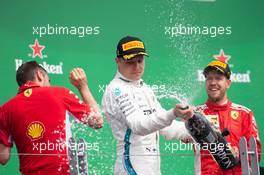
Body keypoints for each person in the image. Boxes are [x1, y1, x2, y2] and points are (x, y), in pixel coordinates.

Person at [102, 36, 194, 175]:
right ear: (118, 61)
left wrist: (195, 132)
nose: (137, 67)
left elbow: (165, 127)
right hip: (131, 166)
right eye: (130, 62)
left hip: (150, 167)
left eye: (140, 61)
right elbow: (139, 126)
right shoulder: (117, 90)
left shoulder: (143, 87)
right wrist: (173, 113)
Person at [0, 61, 103, 174]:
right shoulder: (60, 93)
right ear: (40, 75)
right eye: (49, 81)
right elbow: (97, 121)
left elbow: (3, 157)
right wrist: (83, 86)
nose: (49, 85)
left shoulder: (5, 110)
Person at [194, 59, 262, 175]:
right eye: (209, 78)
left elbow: (256, 153)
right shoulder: (196, 114)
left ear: (228, 83)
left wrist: (238, 153)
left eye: (218, 78)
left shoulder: (244, 113)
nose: (213, 82)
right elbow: (183, 137)